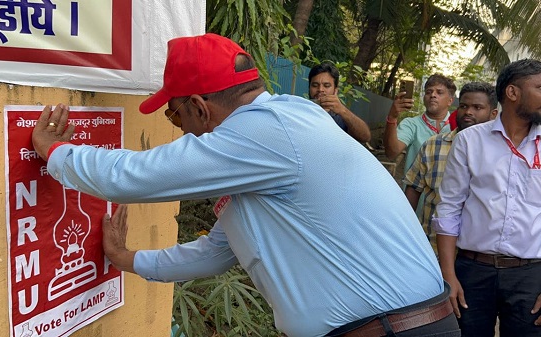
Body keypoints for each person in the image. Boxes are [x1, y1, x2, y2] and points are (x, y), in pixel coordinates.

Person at [32, 33, 459, 337]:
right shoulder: (288, 124)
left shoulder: (262, 134)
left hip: (392, 329)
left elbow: (131, 175)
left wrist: (53, 151)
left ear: (199, 106)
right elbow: (216, 251)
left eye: (174, 115)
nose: (178, 128)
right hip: (407, 323)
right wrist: (126, 259)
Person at [433, 59, 541, 337]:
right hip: (472, 272)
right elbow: (448, 209)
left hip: (531, 275)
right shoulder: (470, 141)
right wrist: (449, 275)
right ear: (513, 93)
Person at [403, 82, 498, 252]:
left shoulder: (501, 153)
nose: (468, 112)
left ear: (493, 114)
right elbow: (412, 190)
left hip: (477, 256)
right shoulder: (433, 146)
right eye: (463, 106)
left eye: (477, 107)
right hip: (432, 249)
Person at [383, 74, 456, 175]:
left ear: (450, 101)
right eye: (428, 92)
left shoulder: (458, 126)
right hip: (413, 190)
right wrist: (392, 117)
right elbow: (391, 153)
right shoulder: (411, 124)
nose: (433, 95)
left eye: (439, 92)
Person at [308, 62, 371, 143]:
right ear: (309, 88)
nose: (320, 89)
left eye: (326, 85)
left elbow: (365, 137)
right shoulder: (300, 112)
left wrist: (342, 111)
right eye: (315, 85)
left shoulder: (341, 117)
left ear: (335, 90)